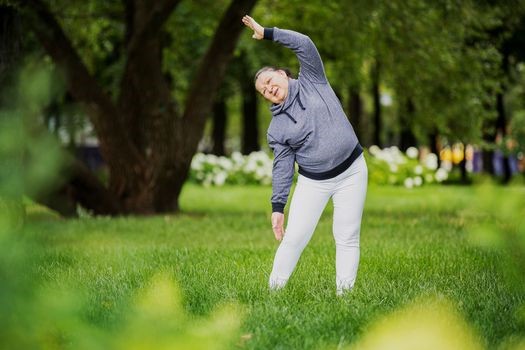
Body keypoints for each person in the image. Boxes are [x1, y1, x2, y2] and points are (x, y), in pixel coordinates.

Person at [242, 15, 368, 295]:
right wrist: (277, 207)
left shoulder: (313, 79)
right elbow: (283, 169)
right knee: (296, 237)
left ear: (283, 74)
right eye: (264, 90)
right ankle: (273, 292)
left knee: (346, 235)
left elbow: (305, 44)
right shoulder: (277, 129)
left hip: (352, 171)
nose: (269, 88)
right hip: (314, 182)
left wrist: (268, 33)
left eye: (270, 80)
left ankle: (345, 296)